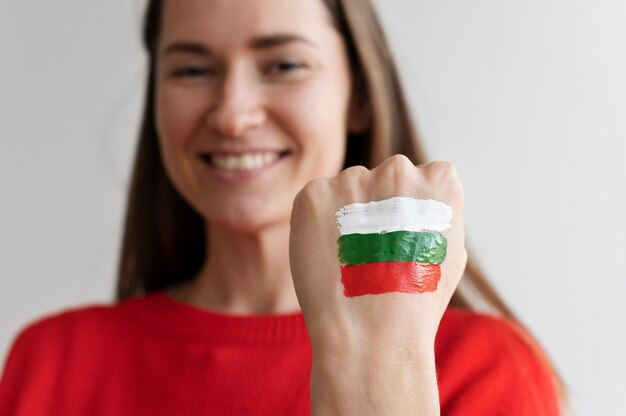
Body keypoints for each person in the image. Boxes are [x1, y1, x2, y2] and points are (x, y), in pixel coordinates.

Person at [0, 0, 566, 414]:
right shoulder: (51, 363)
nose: (232, 114)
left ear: (360, 96)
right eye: (193, 70)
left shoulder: (484, 368)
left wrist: (376, 364)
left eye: (284, 65)